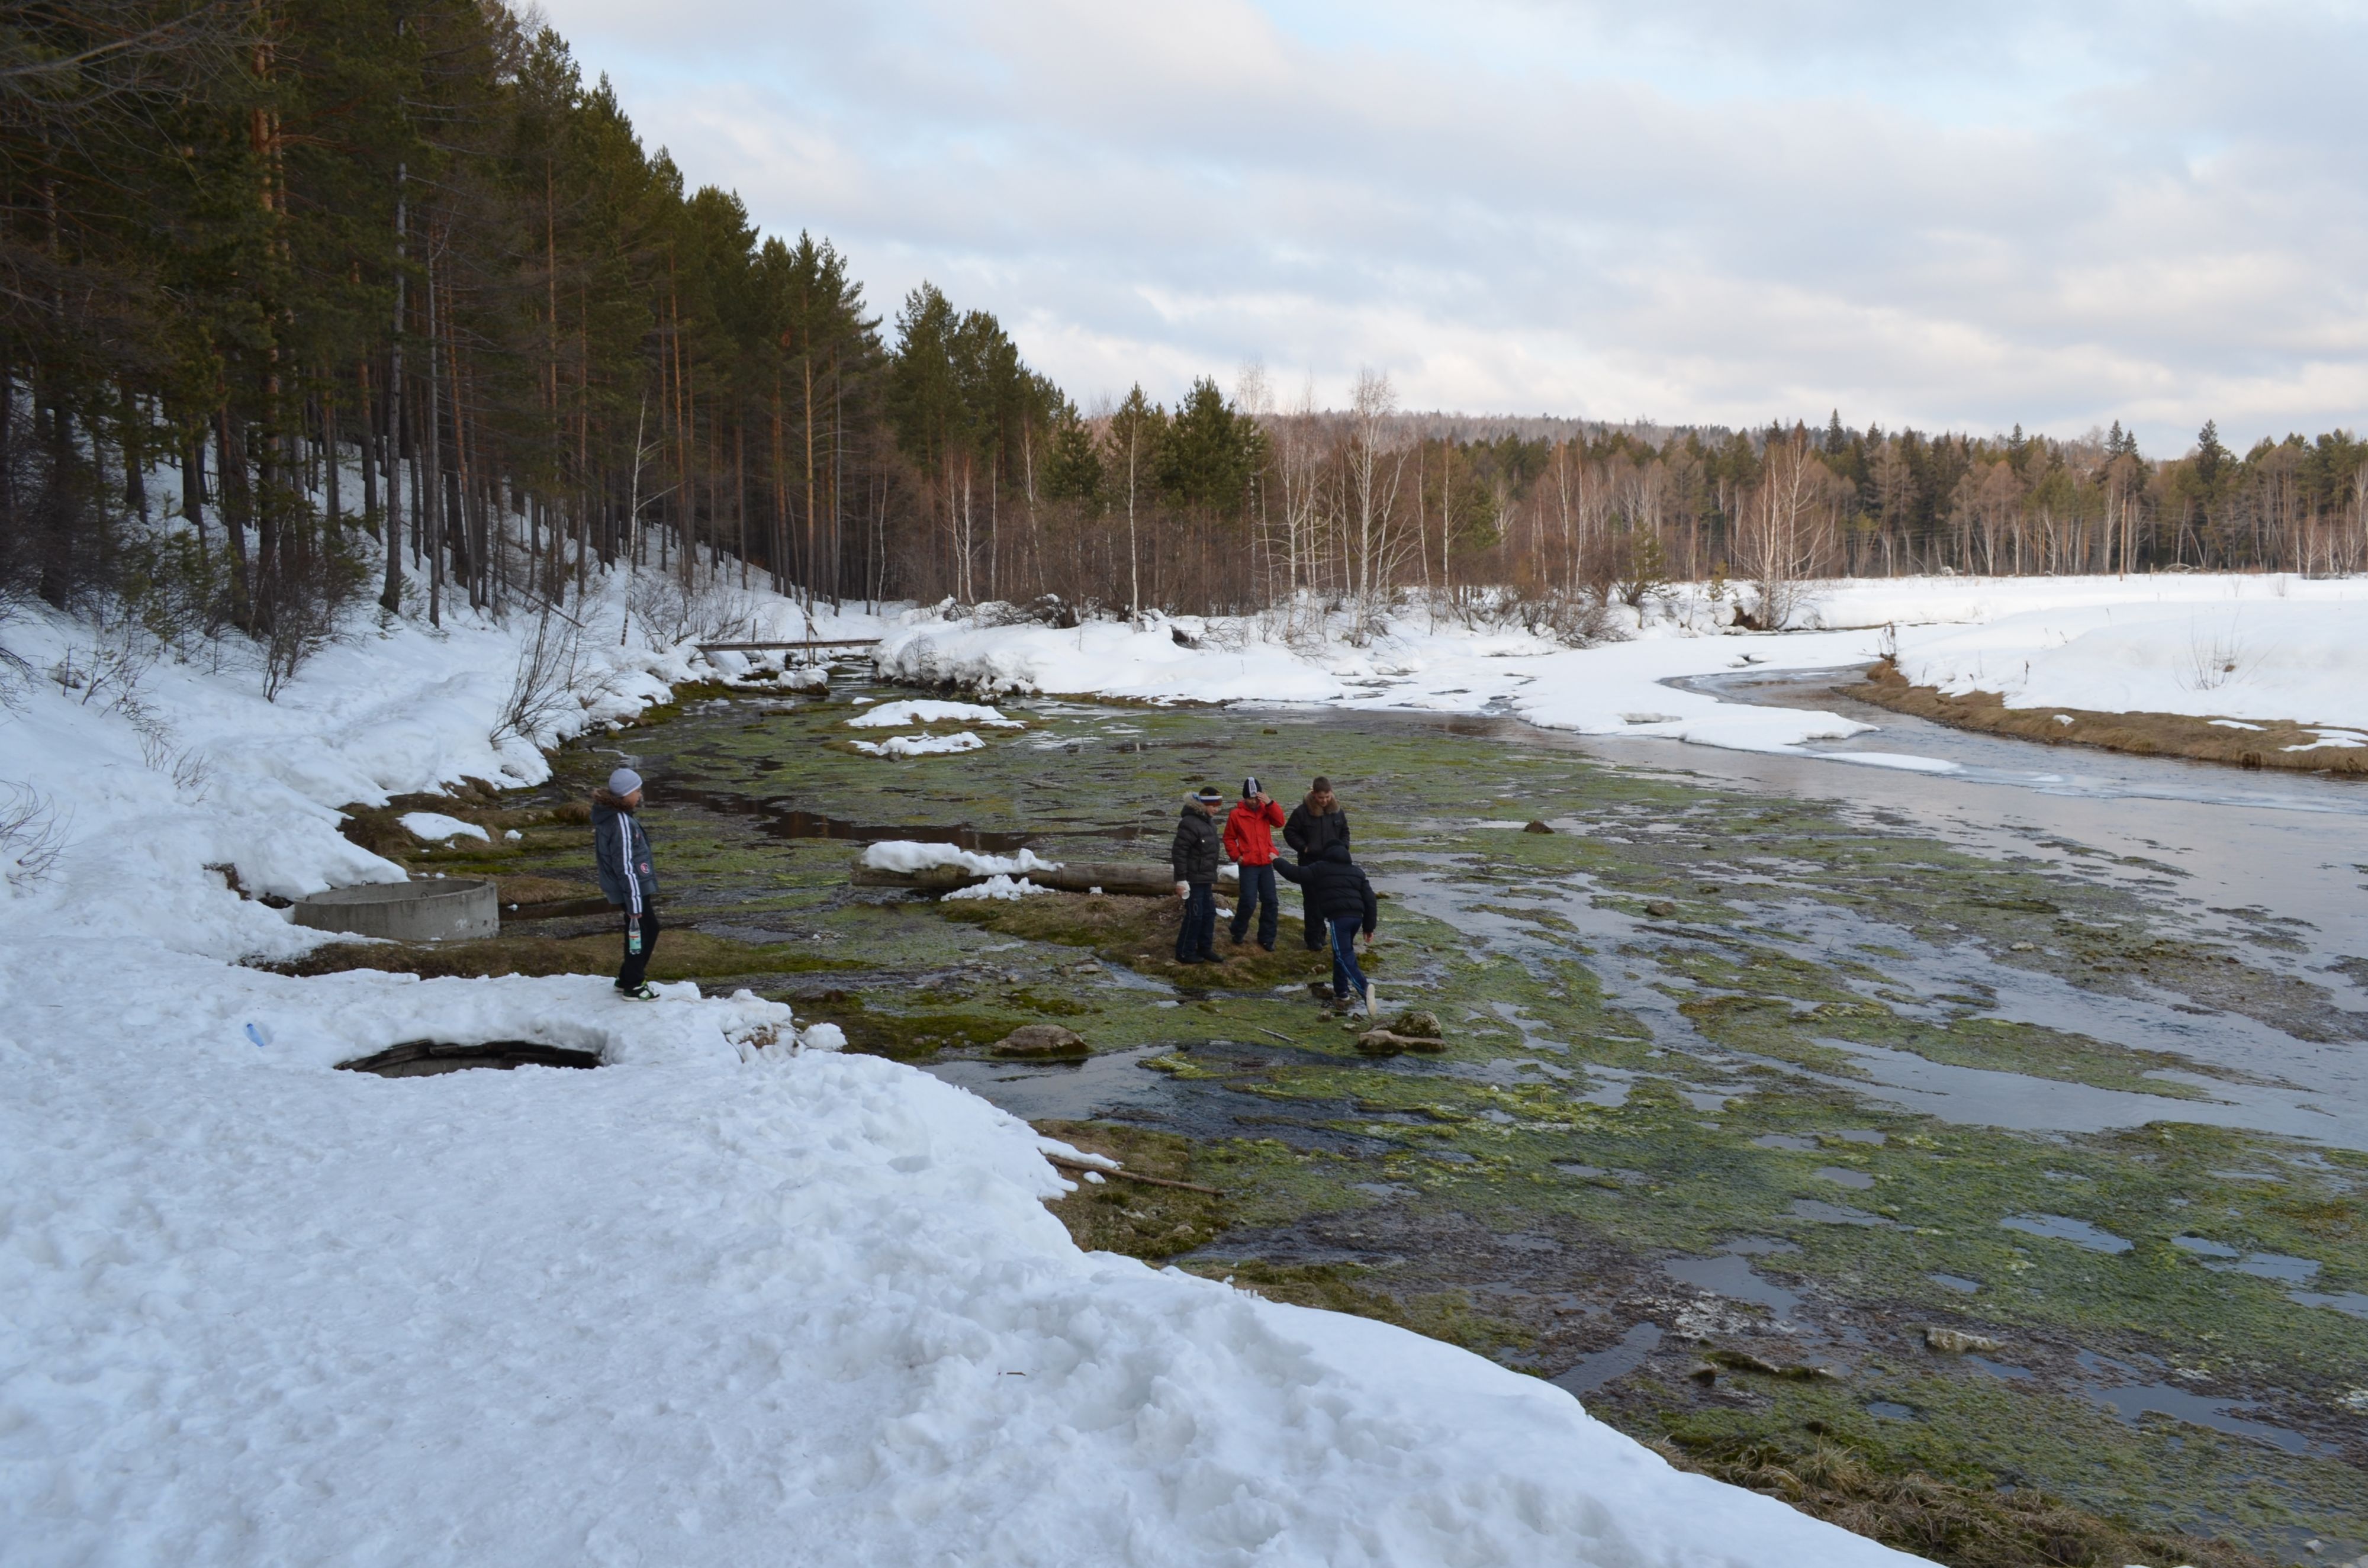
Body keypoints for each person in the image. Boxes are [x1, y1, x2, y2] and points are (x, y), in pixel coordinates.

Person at [1275, 841, 1377, 1015]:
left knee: (1344, 955)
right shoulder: (1357, 872)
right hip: (1356, 919)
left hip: (1339, 919)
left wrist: (1276, 860)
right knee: (1340, 953)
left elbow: (1295, 874)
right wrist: (1369, 927)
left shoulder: (1321, 868)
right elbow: (1370, 900)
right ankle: (1342, 992)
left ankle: (1364, 988)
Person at [593, 766, 661, 1000]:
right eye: (638, 791)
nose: (640, 796)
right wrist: (634, 904)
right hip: (633, 889)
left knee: (642, 930)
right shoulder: (620, 822)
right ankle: (634, 984)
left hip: (633, 888)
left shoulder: (614, 817)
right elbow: (624, 865)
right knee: (644, 930)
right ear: (626, 794)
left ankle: (626, 977)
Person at [1283, 775, 1349, 951]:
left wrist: (1343, 849)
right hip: (1309, 864)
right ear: (1314, 794)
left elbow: (1345, 831)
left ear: (1331, 793)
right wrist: (1303, 848)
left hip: (1332, 865)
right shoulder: (1301, 812)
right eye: (1321, 798)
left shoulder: (1337, 811)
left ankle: (1321, 933)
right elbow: (1289, 832)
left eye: (1327, 797)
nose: (1324, 801)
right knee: (1312, 902)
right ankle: (1312, 938)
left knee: (1327, 901)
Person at [1223, 776, 1286, 951]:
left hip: (1266, 863)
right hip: (1248, 864)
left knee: (1271, 902)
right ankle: (1238, 930)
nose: (1253, 802)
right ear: (1244, 798)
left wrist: (1271, 803)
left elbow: (1280, 822)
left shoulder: (1267, 809)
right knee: (1248, 902)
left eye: (1256, 798)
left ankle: (1267, 938)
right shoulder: (1236, 814)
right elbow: (1228, 838)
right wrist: (1237, 856)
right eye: (1250, 798)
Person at [1170, 784, 1225, 964]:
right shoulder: (1189, 823)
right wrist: (1181, 880)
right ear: (1204, 804)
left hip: (1206, 878)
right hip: (1192, 879)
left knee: (1209, 913)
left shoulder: (1208, 822)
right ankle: (1184, 952)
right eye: (1214, 805)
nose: (1217, 809)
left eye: (1219, 805)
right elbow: (1179, 853)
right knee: (1195, 915)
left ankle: (1205, 948)